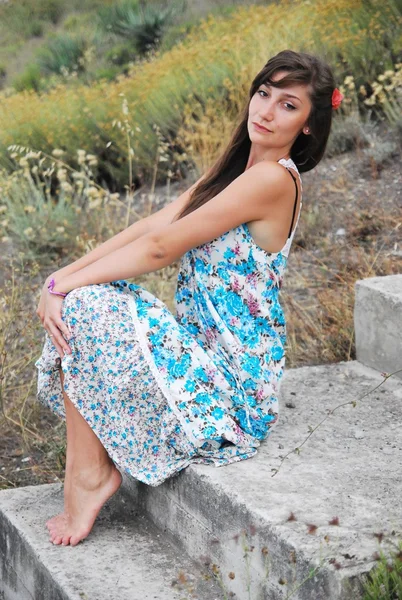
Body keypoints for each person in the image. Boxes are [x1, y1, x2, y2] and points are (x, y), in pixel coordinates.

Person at [35, 48, 342, 547]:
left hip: (234, 385)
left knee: (87, 302)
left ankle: (89, 476)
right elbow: (154, 223)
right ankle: (89, 470)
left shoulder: (271, 179)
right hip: (200, 352)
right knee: (84, 298)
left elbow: (160, 248)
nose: (266, 111)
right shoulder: (237, 172)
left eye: (288, 105)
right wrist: (60, 277)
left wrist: (65, 286)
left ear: (309, 123)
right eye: (263, 94)